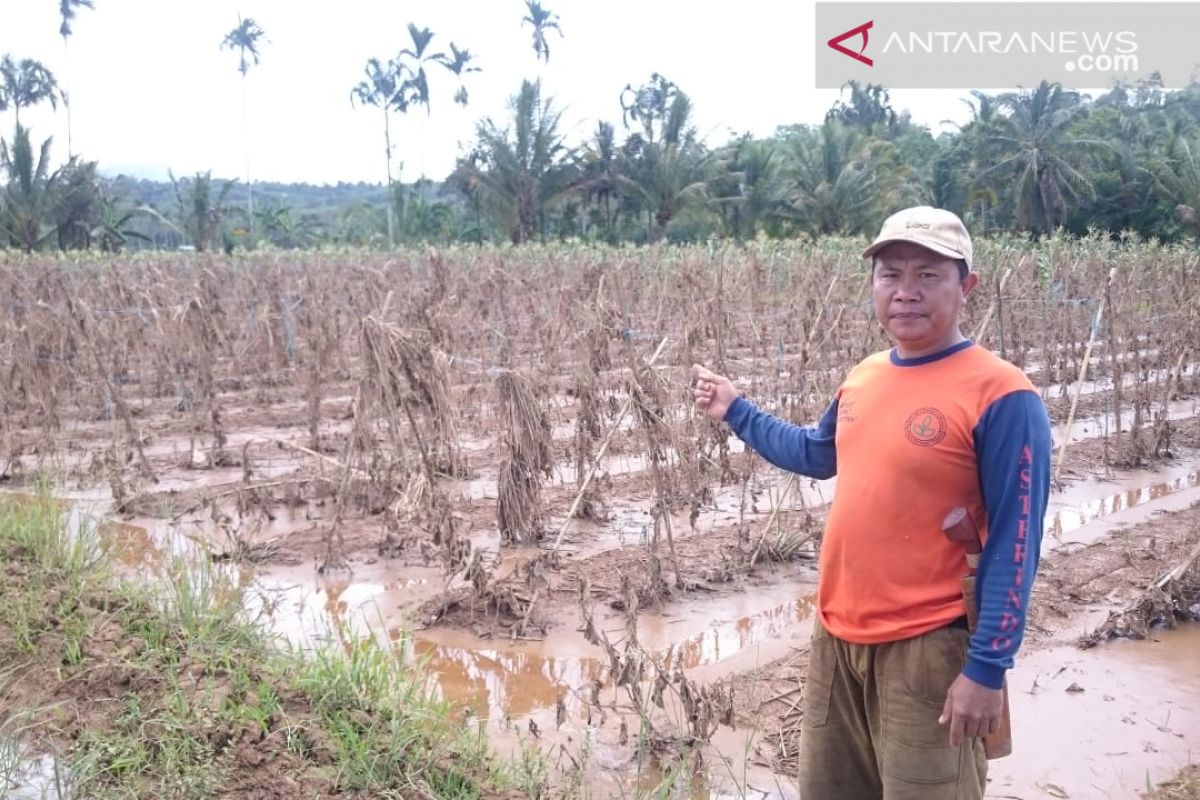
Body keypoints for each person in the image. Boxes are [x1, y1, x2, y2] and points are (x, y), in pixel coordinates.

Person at [692, 206, 1051, 800]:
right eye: (890, 274)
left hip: (929, 649)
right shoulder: (863, 375)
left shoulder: (1002, 394)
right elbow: (815, 453)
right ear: (873, 285)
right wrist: (737, 410)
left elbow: (1018, 542)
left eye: (927, 275)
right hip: (837, 640)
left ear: (967, 287)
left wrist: (987, 668)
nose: (905, 292)